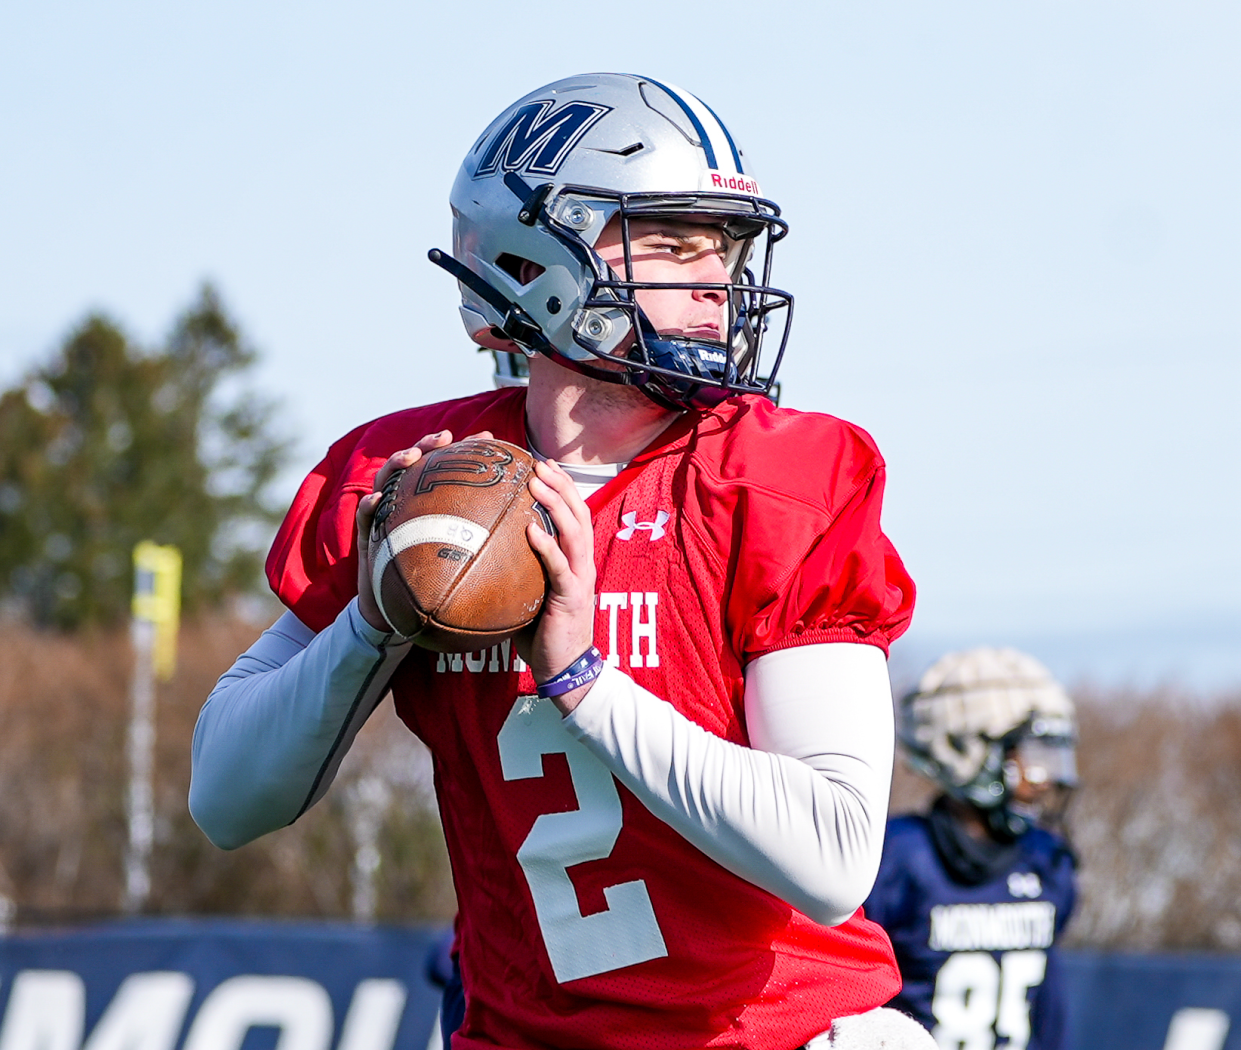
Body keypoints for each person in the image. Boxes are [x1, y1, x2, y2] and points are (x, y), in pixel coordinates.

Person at [190, 73, 929, 1049]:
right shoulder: (416, 483)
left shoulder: (774, 478)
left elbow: (831, 855)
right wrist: (375, 619)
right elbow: (226, 799)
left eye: (726, 243)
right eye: (670, 240)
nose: (716, 277)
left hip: (778, 1034)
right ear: (534, 260)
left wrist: (583, 678)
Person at [863, 648, 1079, 1050]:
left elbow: (1048, 1002)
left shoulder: (1047, 860)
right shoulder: (895, 858)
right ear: (967, 752)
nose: (1047, 778)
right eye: (1034, 757)